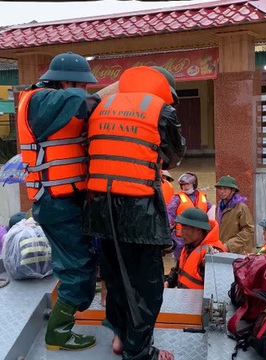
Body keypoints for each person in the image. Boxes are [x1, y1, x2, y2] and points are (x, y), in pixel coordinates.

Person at [84, 65, 186, 360]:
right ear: (163, 89)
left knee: (115, 276)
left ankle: (119, 336)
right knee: (148, 283)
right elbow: (174, 155)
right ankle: (139, 351)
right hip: (137, 208)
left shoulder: (103, 105)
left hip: (100, 206)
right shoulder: (160, 110)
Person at [17, 51, 99, 351]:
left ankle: (66, 319)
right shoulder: (40, 100)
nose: (85, 91)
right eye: (81, 85)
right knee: (77, 268)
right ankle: (58, 333)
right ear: (64, 82)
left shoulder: (52, 102)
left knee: (81, 262)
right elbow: (78, 101)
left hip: (64, 200)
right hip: (56, 202)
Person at [164, 208, 225, 290]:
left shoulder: (214, 253)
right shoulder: (189, 246)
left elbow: (217, 287)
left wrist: (207, 267)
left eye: (184, 229)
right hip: (185, 299)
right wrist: (168, 282)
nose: (181, 234)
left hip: (199, 302)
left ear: (198, 229)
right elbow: (178, 270)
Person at [166, 172, 212, 261]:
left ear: (194, 184)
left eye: (187, 184)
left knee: (197, 260)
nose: (185, 187)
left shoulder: (203, 197)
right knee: (180, 262)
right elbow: (169, 214)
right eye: (182, 185)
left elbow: (211, 212)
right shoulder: (177, 198)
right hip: (180, 237)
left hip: (199, 236)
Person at [214, 175, 255, 254]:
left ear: (233, 190)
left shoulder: (241, 207)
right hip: (222, 250)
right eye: (220, 188)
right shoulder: (219, 206)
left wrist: (229, 245)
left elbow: (249, 230)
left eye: (225, 189)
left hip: (238, 252)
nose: (221, 191)